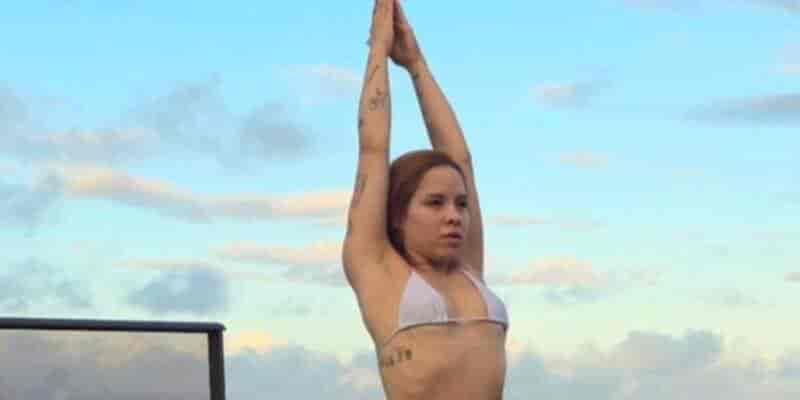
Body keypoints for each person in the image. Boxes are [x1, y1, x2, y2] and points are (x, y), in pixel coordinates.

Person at [342, 0, 510, 399]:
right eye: (435, 203)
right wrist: (378, 50)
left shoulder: (467, 268)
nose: (454, 216)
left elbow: (461, 159)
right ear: (398, 215)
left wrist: (416, 64)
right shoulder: (378, 270)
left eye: (461, 204)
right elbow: (372, 150)